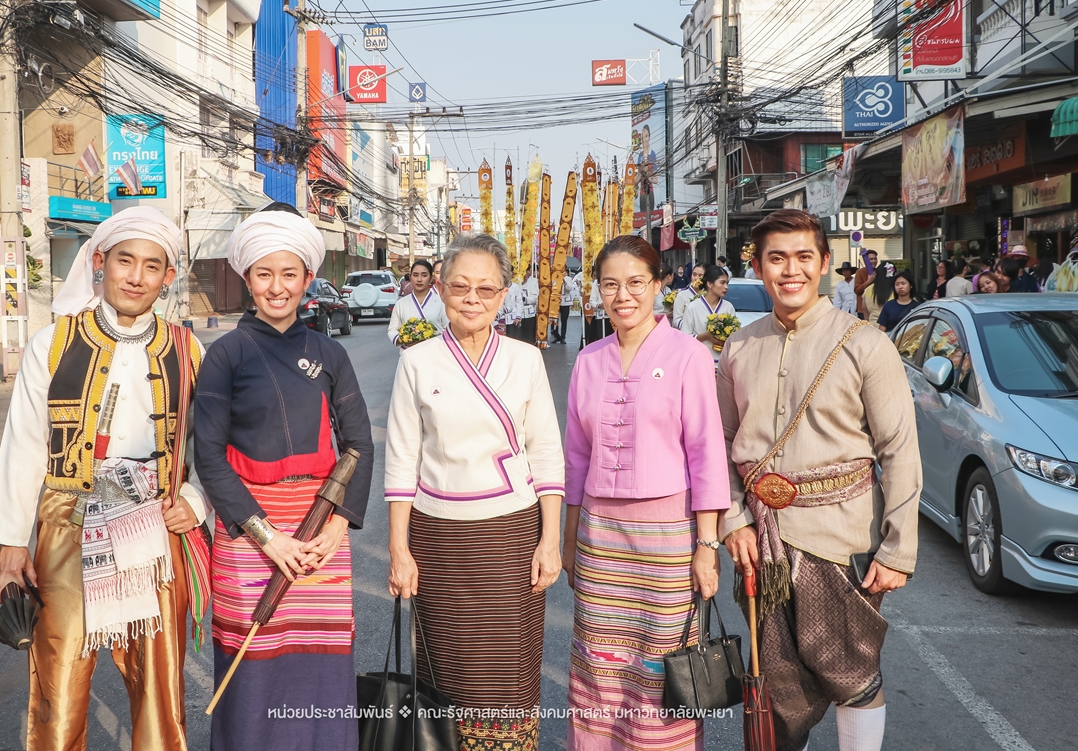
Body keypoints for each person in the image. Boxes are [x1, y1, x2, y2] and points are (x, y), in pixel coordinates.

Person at [0, 206, 209, 748]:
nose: (136, 276)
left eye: (152, 266)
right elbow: (23, 446)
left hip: (157, 526)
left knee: (160, 682)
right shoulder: (53, 343)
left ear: (168, 277)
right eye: (125, 262)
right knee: (60, 675)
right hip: (68, 521)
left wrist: (197, 500)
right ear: (100, 263)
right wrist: (11, 544)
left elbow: (211, 444)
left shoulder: (188, 348)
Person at [719, 209, 921, 751]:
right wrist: (733, 520)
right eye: (777, 258)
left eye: (804, 257)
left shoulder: (866, 344)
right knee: (780, 689)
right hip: (759, 547)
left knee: (852, 678)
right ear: (759, 267)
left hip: (843, 542)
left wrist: (899, 551)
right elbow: (721, 442)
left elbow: (899, 449)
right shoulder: (737, 348)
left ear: (825, 263)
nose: (791, 270)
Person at [193, 211, 374, 750]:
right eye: (264, 274)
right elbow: (208, 455)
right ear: (247, 279)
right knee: (253, 663)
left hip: (319, 532)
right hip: (250, 536)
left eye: (289, 274)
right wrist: (267, 537)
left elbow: (359, 444)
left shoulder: (330, 353)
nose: (278, 287)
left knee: (320, 663)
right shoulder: (225, 354)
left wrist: (339, 526)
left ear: (306, 278)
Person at [385, 233, 565, 750]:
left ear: (504, 294)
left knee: (508, 670)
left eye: (486, 290)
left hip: (511, 534)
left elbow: (547, 454)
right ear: (440, 288)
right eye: (460, 286)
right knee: (445, 666)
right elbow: (401, 460)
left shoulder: (526, 359)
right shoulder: (416, 361)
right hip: (438, 538)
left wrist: (549, 541)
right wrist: (399, 550)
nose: (472, 299)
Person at [563, 235, 730, 751]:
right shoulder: (588, 360)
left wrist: (707, 546)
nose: (623, 296)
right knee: (599, 661)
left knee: (661, 663)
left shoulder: (688, 355)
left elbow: (706, 453)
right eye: (610, 285)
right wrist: (569, 542)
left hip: (670, 539)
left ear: (659, 286)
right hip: (599, 539)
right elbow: (575, 460)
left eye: (636, 282)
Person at [388, 258, 448, 344]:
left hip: (434, 352)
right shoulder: (401, 304)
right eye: (415, 275)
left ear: (431, 278)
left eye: (424, 275)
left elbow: (449, 329)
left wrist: (432, 338)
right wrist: (406, 339)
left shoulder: (442, 302)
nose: (419, 279)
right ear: (410, 277)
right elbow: (392, 330)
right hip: (408, 353)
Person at [680, 266, 737, 354]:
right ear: (710, 284)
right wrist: (704, 336)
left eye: (727, 283)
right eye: (722, 283)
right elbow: (684, 338)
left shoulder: (728, 307)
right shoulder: (692, 307)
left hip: (723, 361)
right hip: (699, 360)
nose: (726, 287)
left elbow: (734, 336)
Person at [553, 269, 577, 344]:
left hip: (565, 302)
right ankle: (556, 336)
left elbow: (569, 289)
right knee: (554, 320)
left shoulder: (569, 279)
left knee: (564, 320)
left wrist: (564, 281)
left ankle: (563, 337)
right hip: (556, 302)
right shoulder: (554, 278)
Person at [853, 250, 877, 321]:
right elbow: (857, 290)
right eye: (871, 259)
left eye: (875, 258)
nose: (873, 261)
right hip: (863, 309)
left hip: (876, 308)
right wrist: (868, 281)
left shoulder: (879, 271)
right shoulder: (860, 272)